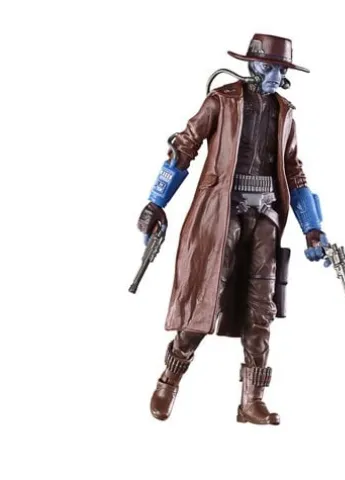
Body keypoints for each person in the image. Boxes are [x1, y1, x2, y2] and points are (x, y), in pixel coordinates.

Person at [137, 33, 330, 425]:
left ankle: (251, 400)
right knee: (204, 299)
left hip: (266, 218)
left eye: (280, 69)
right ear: (252, 64)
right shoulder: (221, 101)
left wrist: (313, 227)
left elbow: (294, 171)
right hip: (220, 215)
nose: (274, 75)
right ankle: (169, 378)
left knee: (262, 308)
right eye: (269, 67)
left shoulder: (285, 113)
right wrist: (156, 203)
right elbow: (183, 148)